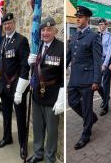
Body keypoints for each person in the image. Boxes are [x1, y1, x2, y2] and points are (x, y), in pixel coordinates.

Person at [26, 16, 64, 163]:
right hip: (36, 94)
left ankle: (50, 158)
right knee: (37, 127)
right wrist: (29, 63)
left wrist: (61, 99)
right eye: (43, 30)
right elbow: (35, 69)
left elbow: (62, 76)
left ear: (55, 30)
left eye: (49, 29)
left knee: (52, 131)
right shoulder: (37, 46)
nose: (45, 33)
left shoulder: (60, 48)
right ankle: (38, 153)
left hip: (52, 95)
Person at [0, 13, 30, 160]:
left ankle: (23, 144)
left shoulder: (21, 40)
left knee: (20, 117)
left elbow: (24, 66)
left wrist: (20, 89)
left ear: (14, 24)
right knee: (6, 114)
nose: (7, 26)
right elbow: (1, 63)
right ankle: (7, 137)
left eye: (10, 23)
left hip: (16, 86)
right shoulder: (2, 41)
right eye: (5, 24)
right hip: (4, 85)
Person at [67, 6, 102, 150]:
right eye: (77, 17)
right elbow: (69, 55)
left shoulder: (94, 36)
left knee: (87, 107)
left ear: (86, 20)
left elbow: (97, 60)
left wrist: (96, 80)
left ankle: (86, 134)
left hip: (87, 79)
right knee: (72, 102)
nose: (77, 19)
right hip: (74, 78)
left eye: (80, 17)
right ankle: (91, 118)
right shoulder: (74, 36)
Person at [97, 18, 111, 116]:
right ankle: (105, 97)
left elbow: (110, 51)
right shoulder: (96, 35)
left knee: (106, 84)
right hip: (98, 61)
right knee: (97, 82)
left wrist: (105, 64)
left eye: (103, 24)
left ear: (106, 25)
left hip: (106, 60)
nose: (101, 26)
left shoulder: (110, 36)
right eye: (100, 24)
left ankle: (105, 107)